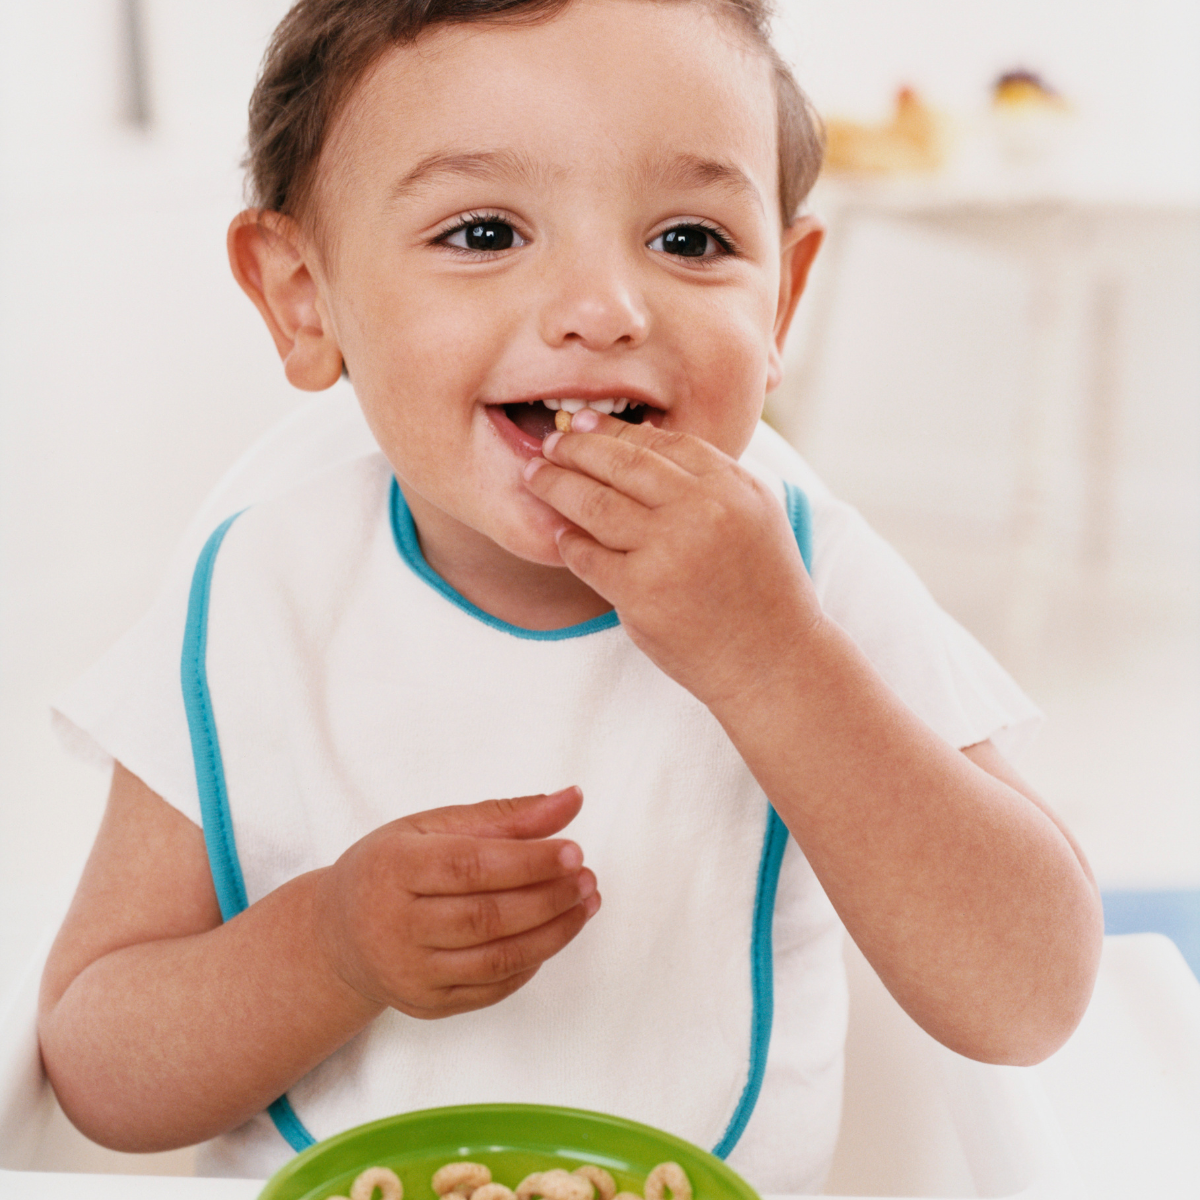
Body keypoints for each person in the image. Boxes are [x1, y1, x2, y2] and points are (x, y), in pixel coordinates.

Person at [37, 0, 1104, 1190]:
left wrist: (774, 662)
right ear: (303, 297)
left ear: (783, 303)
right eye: (485, 230)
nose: (604, 308)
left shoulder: (812, 586)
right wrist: (331, 948)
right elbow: (94, 1070)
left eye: (691, 240)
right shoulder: (256, 599)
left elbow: (1032, 1001)